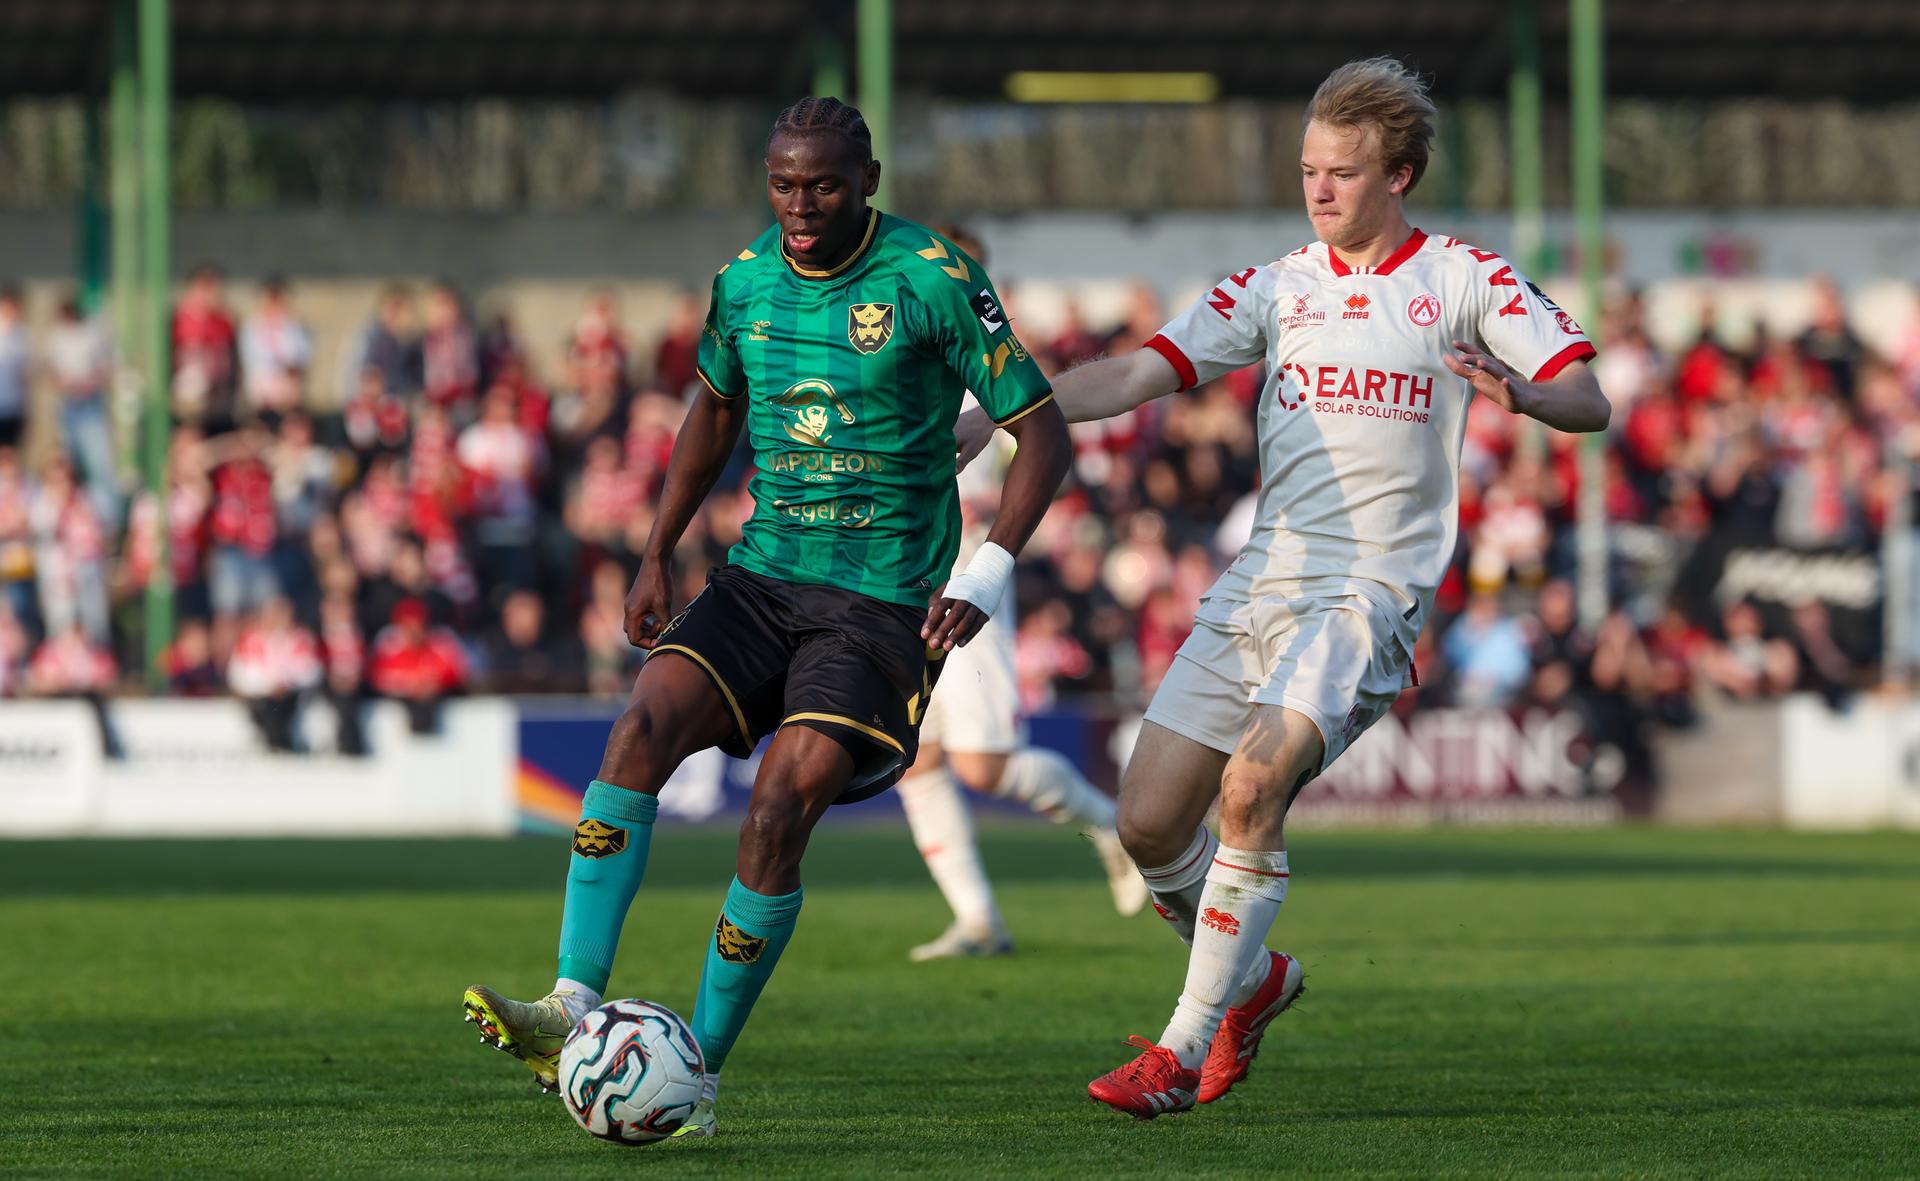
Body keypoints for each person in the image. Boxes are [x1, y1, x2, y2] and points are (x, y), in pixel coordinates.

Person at [955, 57, 1609, 1118]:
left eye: (1341, 173)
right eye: (1309, 169)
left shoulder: (1466, 279)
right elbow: (1133, 371)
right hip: (1264, 581)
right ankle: (1255, 982)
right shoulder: (1276, 285)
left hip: (1370, 593)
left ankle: (1179, 1046)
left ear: (1401, 173)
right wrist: (1006, 410)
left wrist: (1528, 393)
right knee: (1149, 823)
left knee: (1252, 789)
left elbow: (1592, 397)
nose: (1318, 190)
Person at [461, 96, 1072, 1139]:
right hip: (762, 577)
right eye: (784, 183)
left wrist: (991, 570)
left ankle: (693, 1065)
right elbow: (713, 406)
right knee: (640, 724)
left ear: (868, 180)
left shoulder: (933, 275)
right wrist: (657, 548)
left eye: (823, 185)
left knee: (780, 803)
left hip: (879, 607)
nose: (799, 204)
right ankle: (571, 1001)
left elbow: (1043, 433)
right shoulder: (745, 280)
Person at [894, 223, 1145, 963]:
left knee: (983, 765)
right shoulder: (882, 343)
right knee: (916, 759)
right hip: (898, 583)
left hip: (967, 578)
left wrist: (988, 514)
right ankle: (978, 920)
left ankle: (1113, 827)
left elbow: (1039, 441)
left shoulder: (986, 355)